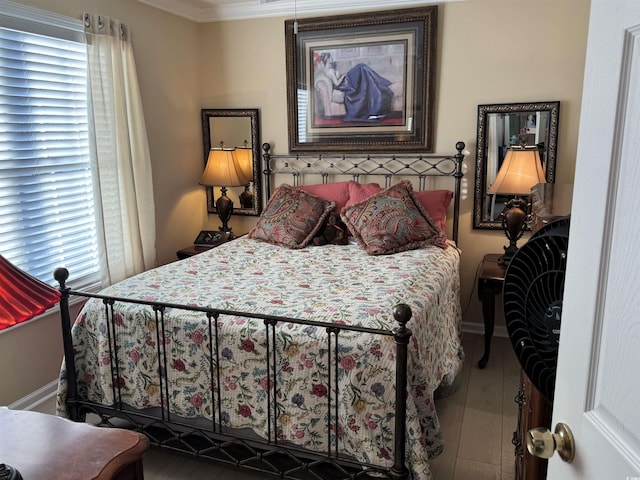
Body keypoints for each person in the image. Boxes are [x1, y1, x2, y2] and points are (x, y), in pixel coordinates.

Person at [315, 52, 394, 123]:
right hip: (345, 83)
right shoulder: (330, 71)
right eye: (330, 58)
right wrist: (343, 75)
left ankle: (381, 81)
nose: (332, 59)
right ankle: (383, 82)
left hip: (346, 80)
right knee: (362, 68)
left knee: (363, 69)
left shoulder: (327, 70)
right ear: (328, 59)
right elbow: (337, 83)